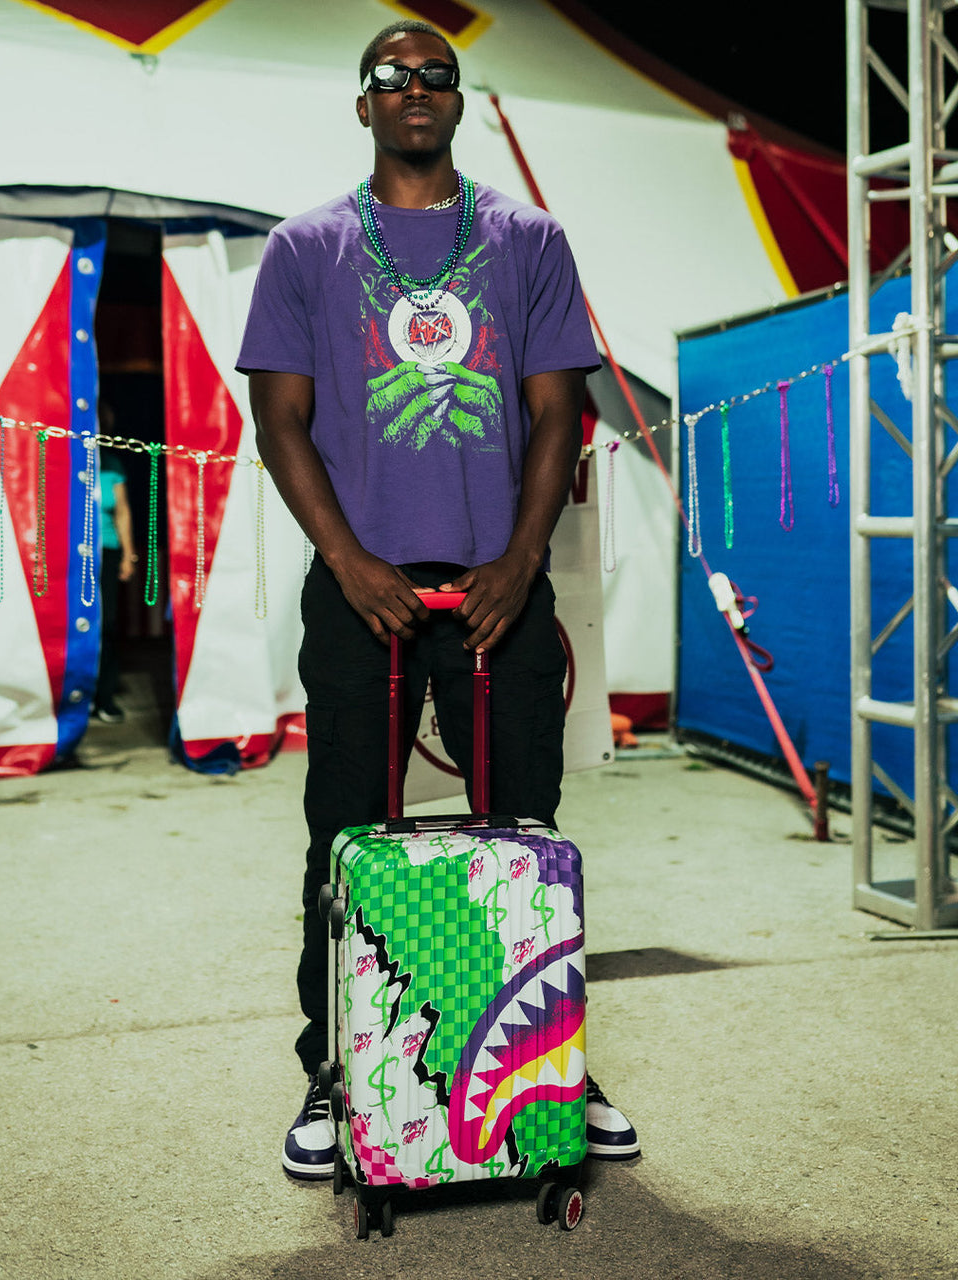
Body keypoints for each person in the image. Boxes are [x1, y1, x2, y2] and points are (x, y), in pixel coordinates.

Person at [237, 18, 639, 1180]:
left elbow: (558, 410)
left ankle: (547, 1062)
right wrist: (350, 560)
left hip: (496, 587)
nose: (415, 88)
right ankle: (337, 1064)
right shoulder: (305, 246)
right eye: (391, 76)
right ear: (362, 103)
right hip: (361, 590)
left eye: (436, 75)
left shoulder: (528, 239)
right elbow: (279, 420)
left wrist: (520, 558)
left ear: (457, 100)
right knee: (346, 834)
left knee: (523, 832)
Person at [93, 419, 137, 723]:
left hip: (107, 551)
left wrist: (127, 555)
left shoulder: (112, 465)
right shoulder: (65, 457)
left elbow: (122, 510)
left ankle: (104, 698)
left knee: (107, 624)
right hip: (73, 554)